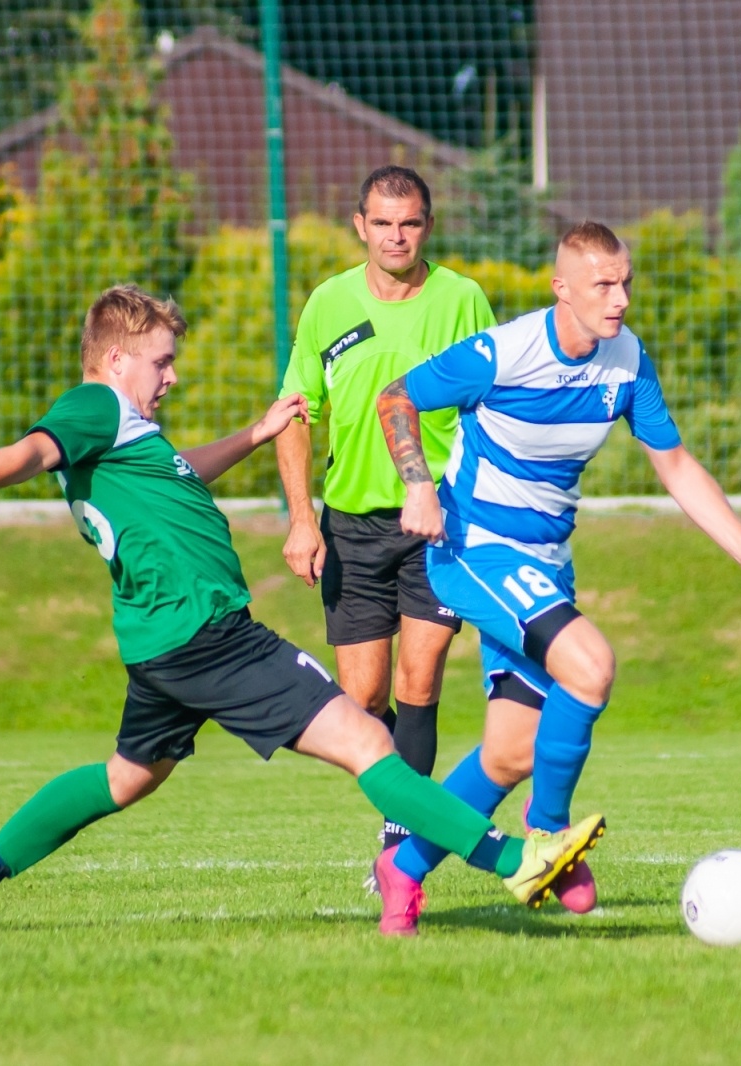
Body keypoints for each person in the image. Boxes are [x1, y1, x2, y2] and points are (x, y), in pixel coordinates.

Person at [0, 284, 603, 933]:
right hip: (212, 637)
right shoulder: (94, 406)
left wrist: (253, 437)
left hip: (161, 642)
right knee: (368, 744)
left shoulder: (121, 434)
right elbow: (30, 451)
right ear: (112, 361)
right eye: (161, 363)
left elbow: (175, 471)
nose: (172, 376)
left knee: (125, 777)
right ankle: (513, 861)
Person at [369, 222, 741, 936]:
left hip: (545, 565)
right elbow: (395, 398)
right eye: (603, 284)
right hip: (474, 546)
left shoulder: (627, 363)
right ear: (560, 289)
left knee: (510, 751)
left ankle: (406, 867)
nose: (621, 298)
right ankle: (549, 840)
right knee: (591, 666)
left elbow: (676, 465)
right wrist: (416, 485)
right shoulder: (505, 353)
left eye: (626, 281)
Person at [275, 166, 495, 859]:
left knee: (419, 677)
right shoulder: (327, 304)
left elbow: (492, 405)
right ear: (359, 226)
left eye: (409, 223)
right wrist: (302, 520)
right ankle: (406, 780)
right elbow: (296, 415)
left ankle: (402, 844)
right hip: (353, 525)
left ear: (428, 226)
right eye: (382, 223)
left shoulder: (462, 299)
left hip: (438, 521)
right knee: (364, 699)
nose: (396, 236)